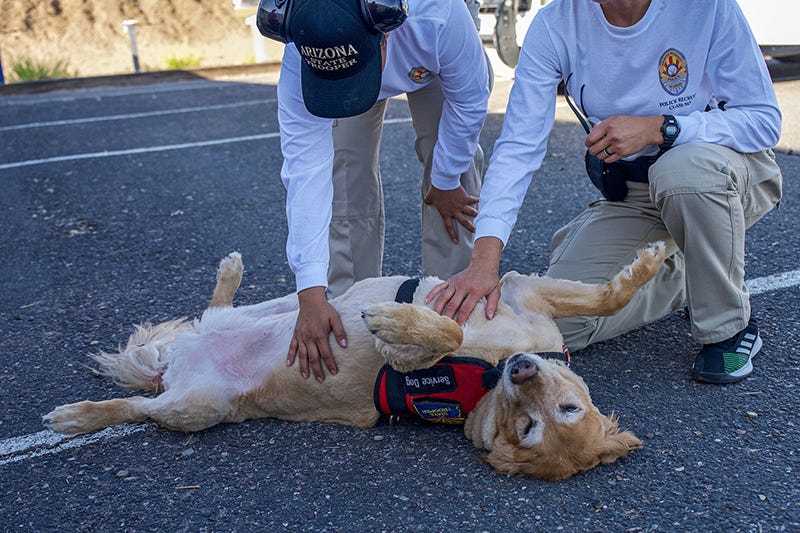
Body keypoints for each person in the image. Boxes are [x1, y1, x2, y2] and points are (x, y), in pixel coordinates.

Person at [427, 0, 783, 384]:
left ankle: (729, 328)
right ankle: (690, 271)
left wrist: (661, 128)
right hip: (636, 191)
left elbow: (763, 121)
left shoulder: (705, 8)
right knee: (559, 327)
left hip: (721, 177)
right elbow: (518, 146)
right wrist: (484, 261)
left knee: (681, 173)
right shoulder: (555, 24)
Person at [257, 0, 491, 381]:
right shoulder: (302, 45)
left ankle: (450, 313)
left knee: (452, 166)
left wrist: (445, 180)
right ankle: (349, 312)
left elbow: (470, 100)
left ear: (384, 35)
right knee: (344, 172)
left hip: (427, 50)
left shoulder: (440, 15)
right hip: (350, 47)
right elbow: (306, 175)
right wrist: (310, 293)